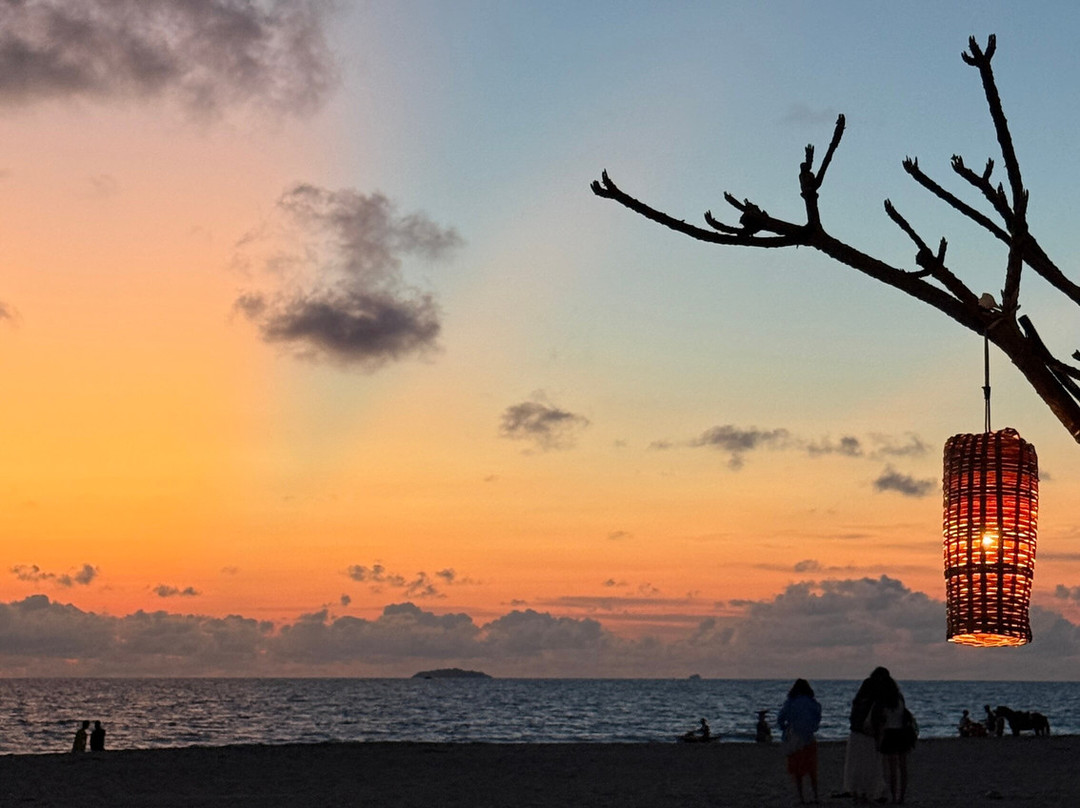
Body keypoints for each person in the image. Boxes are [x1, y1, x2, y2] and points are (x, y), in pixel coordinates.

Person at [843, 667, 887, 804]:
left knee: (855, 765)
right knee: (869, 766)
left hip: (855, 735)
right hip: (868, 737)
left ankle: (856, 792)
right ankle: (868, 793)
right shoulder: (877, 703)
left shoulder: (858, 702)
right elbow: (879, 722)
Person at [871, 670, 915, 804]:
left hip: (889, 733)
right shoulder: (899, 697)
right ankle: (901, 796)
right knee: (902, 767)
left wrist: (879, 739)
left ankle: (893, 795)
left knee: (891, 768)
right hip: (901, 732)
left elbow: (882, 723)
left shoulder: (882, 701)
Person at [777, 678, 821, 804]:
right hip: (809, 737)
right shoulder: (812, 703)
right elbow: (817, 718)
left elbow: (780, 718)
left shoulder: (790, 703)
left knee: (797, 770)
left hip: (794, 738)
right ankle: (815, 795)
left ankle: (801, 797)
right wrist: (812, 727)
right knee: (812, 768)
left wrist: (785, 728)